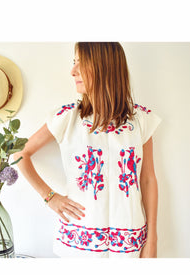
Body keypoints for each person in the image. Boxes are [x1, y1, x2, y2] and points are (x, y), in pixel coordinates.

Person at [13, 42, 161, 258]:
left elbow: (148, 179)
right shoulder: (67, 117)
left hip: (130, 243)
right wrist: (49, 196)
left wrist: (152, 239)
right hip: (80, 245)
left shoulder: (140, 121)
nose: (73, 71)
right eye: (74, 63)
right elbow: (19, 154)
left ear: (105, 66)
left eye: (81, 63)